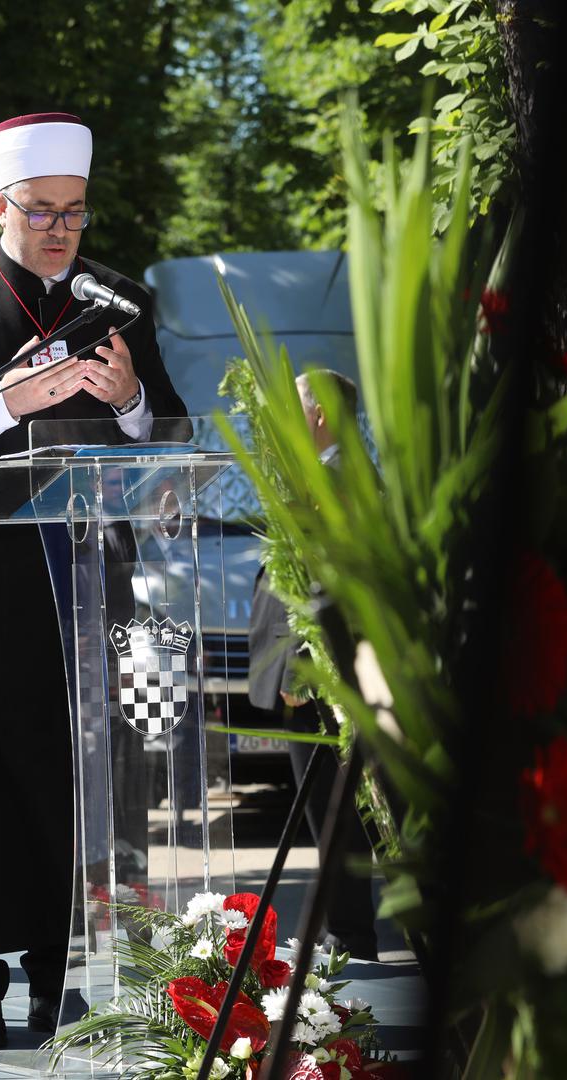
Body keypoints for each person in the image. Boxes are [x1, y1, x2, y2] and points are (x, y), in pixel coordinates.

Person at [0, 113, 187, 1048]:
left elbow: (168, 433)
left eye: (75, 213)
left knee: (83, 798)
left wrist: (129, 397)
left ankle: (66, 986)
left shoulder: (119, 300)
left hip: (94, 588)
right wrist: (10, 399)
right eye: (41, 211)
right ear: (1, 205)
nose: (59, 229)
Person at [248, 369, 380, 961]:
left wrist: (303, 666)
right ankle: (342, 931)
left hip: (315, 678)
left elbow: (332, 585)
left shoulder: (341, 480)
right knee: (327, 807)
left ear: (321, 415)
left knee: (333, 809)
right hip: (305, 672)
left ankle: (349, 935)